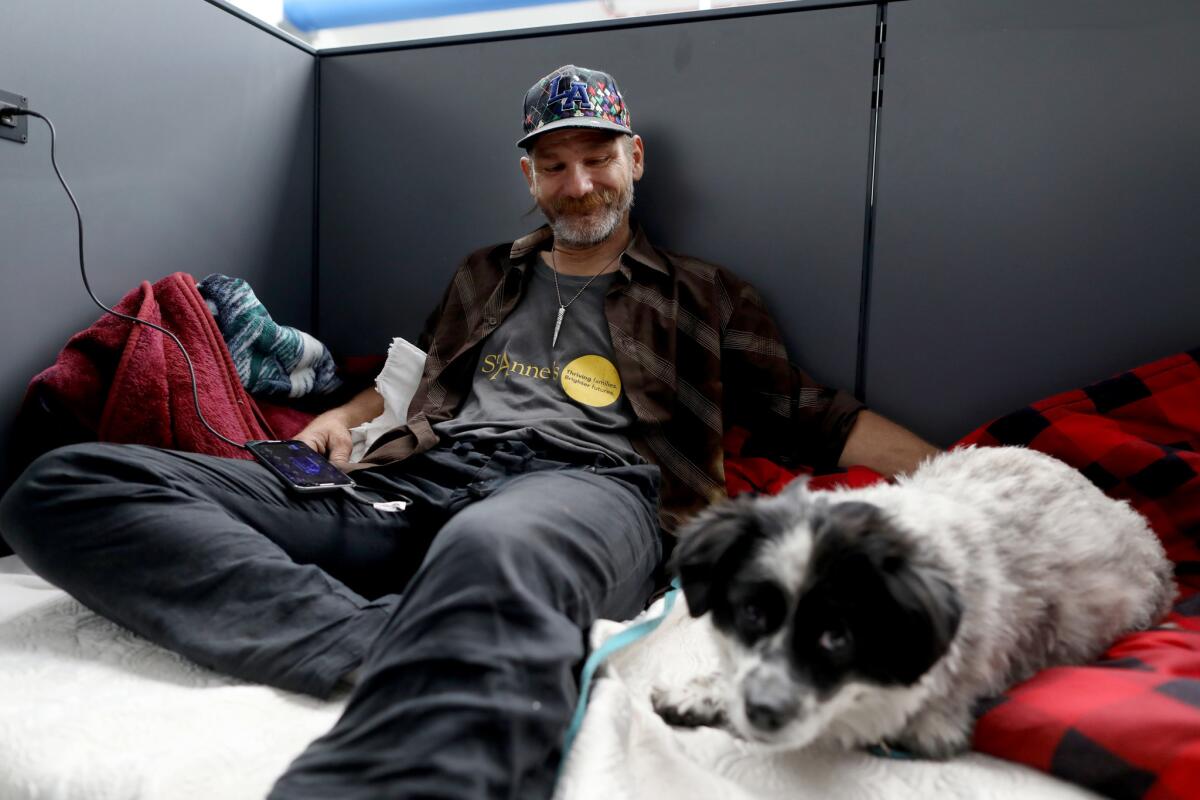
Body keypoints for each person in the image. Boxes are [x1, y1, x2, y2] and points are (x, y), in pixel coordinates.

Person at [0, 65, 937, 799]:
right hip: (426, 476)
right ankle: (377, 639)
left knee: (494, 547)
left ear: (635, 158)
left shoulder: (706, 293)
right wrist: (342, 416)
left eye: (597, 157)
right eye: (555, 163)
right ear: (527, 174)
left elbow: (816, 416)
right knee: (67, 485)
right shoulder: (484, 273)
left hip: (591, 483)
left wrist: (956, 470)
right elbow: (415, 380)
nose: (579, 184)